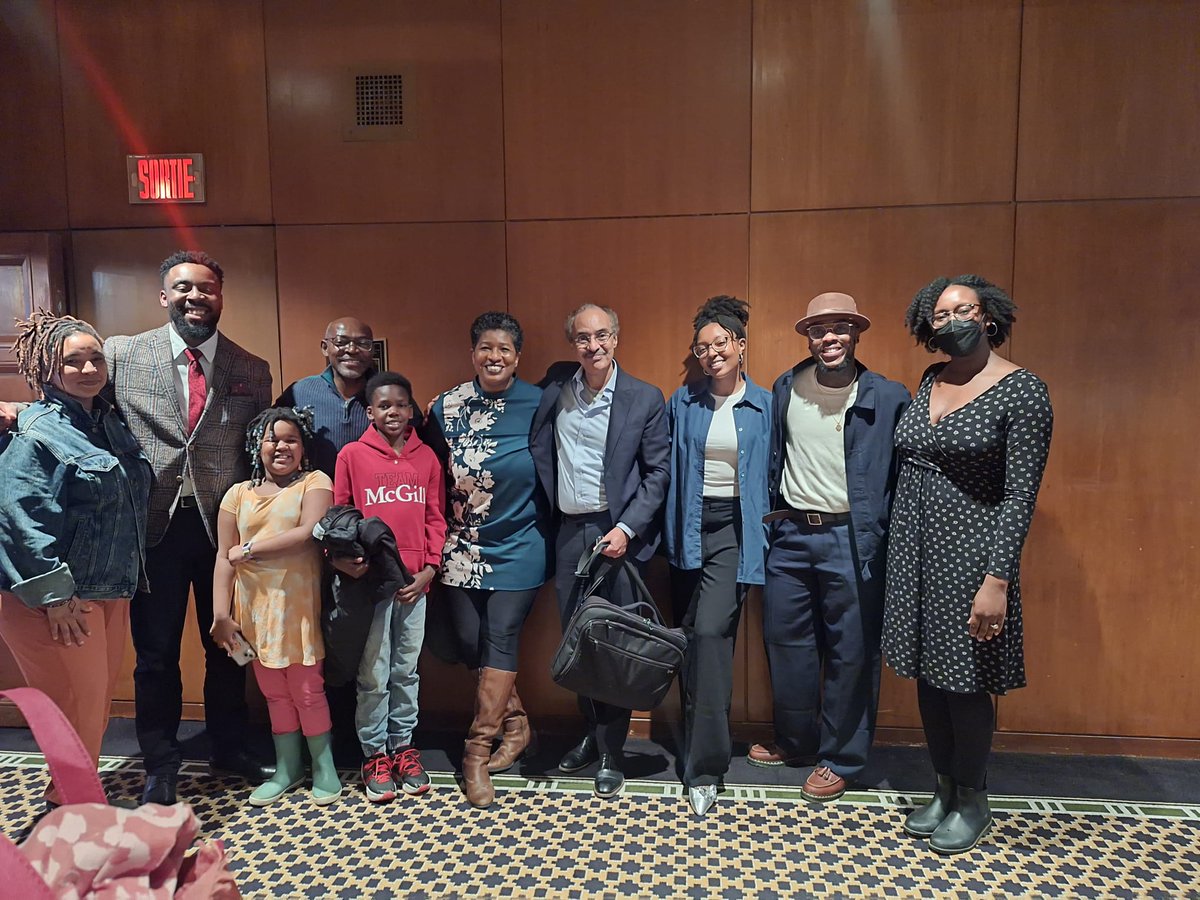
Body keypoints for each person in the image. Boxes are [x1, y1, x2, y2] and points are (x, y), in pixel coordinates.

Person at [0, 252, 274, 804]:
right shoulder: (120, 355)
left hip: (223, 532)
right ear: (164, 295)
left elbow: (257, 447)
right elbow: (68, 406)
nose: (195, 297)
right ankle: (160, 762)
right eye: (182, 288)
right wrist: (17, 410)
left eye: (206, 288)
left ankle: (228, 745)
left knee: (228, 644)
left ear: (221, 296)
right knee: (155, 655)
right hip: (149, 531)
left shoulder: (252, 367)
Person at [883, 275, 1053, 854]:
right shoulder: (930, 378)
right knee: (928, 679)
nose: (951, 320)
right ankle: (944, 788)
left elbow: (1020, 495)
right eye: (940, 315)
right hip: (914, 553)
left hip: (972, 559)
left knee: (966, 682)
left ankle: (974, 800)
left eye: (964, 310)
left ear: (988, 316)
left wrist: (997, 580)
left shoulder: (1022, 390)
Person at [751, 292, 910, 804]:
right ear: (808, 338)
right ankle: (796, 742)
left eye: (840, 327)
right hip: (791, 535)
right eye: (819, 330)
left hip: (852, 538)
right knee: (788, 644)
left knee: (852, 653)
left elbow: (901, 477)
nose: (830, 338)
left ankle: (841, 758)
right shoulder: (786, 387)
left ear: (856, 333)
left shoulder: (887, 396)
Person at [0, 312, 152, 810]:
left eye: (95, 359)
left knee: (93, 706)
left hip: (107, 585)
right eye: (73, 361)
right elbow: (17, 519)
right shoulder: (36, 432)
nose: (88, 369)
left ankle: (73, 802)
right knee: (75, 708)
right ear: (47, 367)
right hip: (57, 597)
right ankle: (73, 808)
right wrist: (55, 596)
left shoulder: (107, 422)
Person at [531, 303, 670, 799]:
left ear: (616, 337)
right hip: (569, 534)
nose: (594, 346)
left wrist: (627, 529)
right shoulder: (556, 388)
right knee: (579, 642)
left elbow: (658, 473)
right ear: (573, 344)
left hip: (616, 537)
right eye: (583, 338)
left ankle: (613, 750)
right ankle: (590, 734)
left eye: (602, 335)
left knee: (613, 643)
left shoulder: (644, 397)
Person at [427, 312, 550, 808]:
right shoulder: (446, 406)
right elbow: (429, 469)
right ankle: (516, 725)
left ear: (518, 357)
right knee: (468, 641)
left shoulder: (540, 403)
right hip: (462, 544)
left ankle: (475, 753)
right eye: (486, 347)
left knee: (500, 636)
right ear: (473, 353)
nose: (494, 356)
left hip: (521, 543)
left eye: (504, 349)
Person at [664, 297, 771, 817]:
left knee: (709, 634)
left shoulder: (766, 405)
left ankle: (706, 768)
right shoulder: (682, 403)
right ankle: (694, 741)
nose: (711, 354)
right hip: (686, 528)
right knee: (693, 642)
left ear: (740, 345)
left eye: (720, 343)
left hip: (734, 529)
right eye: (702, 347)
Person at [211, 407, 341, 806]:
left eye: (291, 440)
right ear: (257, 445)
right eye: (273, 439)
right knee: (273, 694)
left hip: (297, 608)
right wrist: (220, 615)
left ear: (303, 447)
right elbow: (223, 557)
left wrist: (249, 549)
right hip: (253, 612)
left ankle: (325, 769)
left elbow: (307, 533)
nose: (281, 447)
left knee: (307, 691)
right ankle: (288, 768)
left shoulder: (315, 482)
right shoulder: (237, 494)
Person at [332, 371, 446, 802]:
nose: (393, 412)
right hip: (372, 586)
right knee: (374, 673)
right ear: (370, 412)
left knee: (405, 671)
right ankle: (374, 754)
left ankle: (403, 747)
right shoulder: (352, 455)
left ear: (411, 409)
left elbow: (436, 517)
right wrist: (347, 561)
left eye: (401, 404)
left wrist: (429, 569)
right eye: (384, 405)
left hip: (415, 586)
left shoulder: (427, 458)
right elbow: (341, 517)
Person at [275, 317, 375, 478]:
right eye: (341, 342)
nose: (352, 349)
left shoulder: (389, 393)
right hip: (317, 491)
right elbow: (269, 436)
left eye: (363, 343)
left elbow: (414, 443)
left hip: (373, 491)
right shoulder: (299, 392)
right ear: (325, 347)